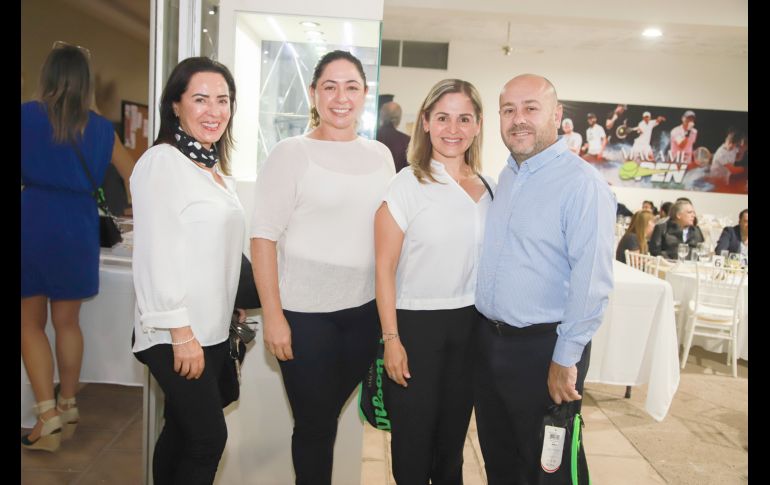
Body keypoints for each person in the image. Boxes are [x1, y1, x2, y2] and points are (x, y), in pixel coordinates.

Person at [250, 50, 395, 485]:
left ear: (364, 95)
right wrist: (273, 317)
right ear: (314, 93)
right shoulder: (291, 153)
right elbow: (263, 238)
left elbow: (389, 236)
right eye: (329, 87)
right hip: (304, 317)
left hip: (363, 315)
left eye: (351, 87)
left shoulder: (381, 156)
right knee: (314, 426)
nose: (340, 97)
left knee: (325, 420)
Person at [474, 74, 615, 484]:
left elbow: (592, 283)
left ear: (556, 116)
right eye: (508, 110)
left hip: (544, 350)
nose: (518, 119)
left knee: (548, 470)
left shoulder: (582, 185)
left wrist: (565, 357)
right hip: (491, 345)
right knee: (500, 460)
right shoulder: (509, 176)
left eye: (530, 108)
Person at [130, 56, 246, 484]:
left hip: (211, 330)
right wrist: (181, 334)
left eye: (223, 100)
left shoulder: (211, 168)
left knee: (180, 433)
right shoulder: (163, 163)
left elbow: (215, 250)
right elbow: (156, 255)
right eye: (200, 99)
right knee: (207, 440)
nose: (214, 111)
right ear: (176, 105)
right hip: (175, 332)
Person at [375, 79, 491, 484]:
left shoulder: (489, 188)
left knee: (451, 448)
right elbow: (384, 269)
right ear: (424, 122)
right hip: (416, 327)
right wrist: (392, 339)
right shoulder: (406, 184)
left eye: (464, 118)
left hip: (471, 327)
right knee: (412, 449)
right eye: (442, 117)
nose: (453, 128)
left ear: (478, 125)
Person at [21, 41, 134, 452]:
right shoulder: (101, 128)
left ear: (46, 75)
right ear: (86, 82)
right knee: (68, 322)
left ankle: (46, 414)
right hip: (78, 225)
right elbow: (134, 174)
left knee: (29, 323)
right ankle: (68, 403)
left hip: (31, 219)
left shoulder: (24, 117)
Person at [377, 101, 411, 172]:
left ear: (381, 116)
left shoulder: (370, 136)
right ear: (399, 119)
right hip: (398, 182)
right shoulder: (406, 141)